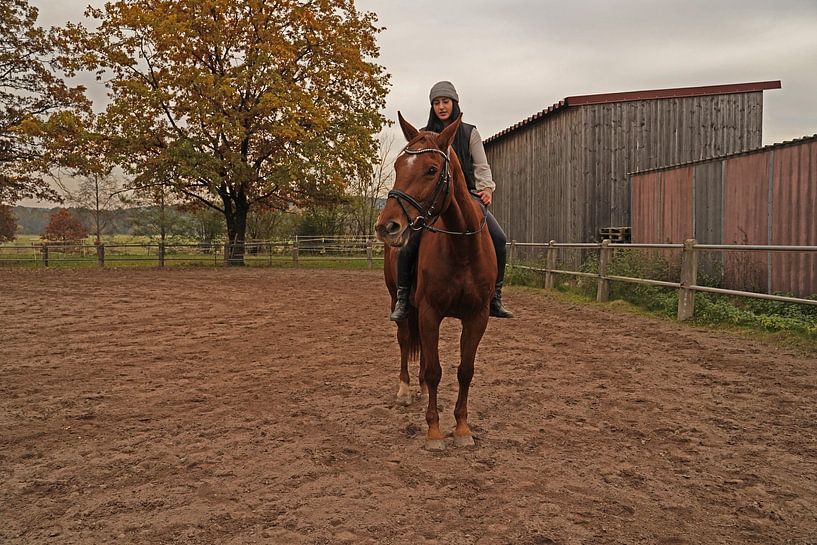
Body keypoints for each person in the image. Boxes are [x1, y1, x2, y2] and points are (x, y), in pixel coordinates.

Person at [390, 80, 514, 321]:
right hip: (431, 201)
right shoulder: (424, 136)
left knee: (499, 239)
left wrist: (486, 188)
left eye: (445, 101)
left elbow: (481, 166)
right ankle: (404, 297)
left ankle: (495, 296)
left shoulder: (469, 132)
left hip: (466, 197)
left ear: (454, 103)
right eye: (436, 103)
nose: (441, 107)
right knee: (408, 244)